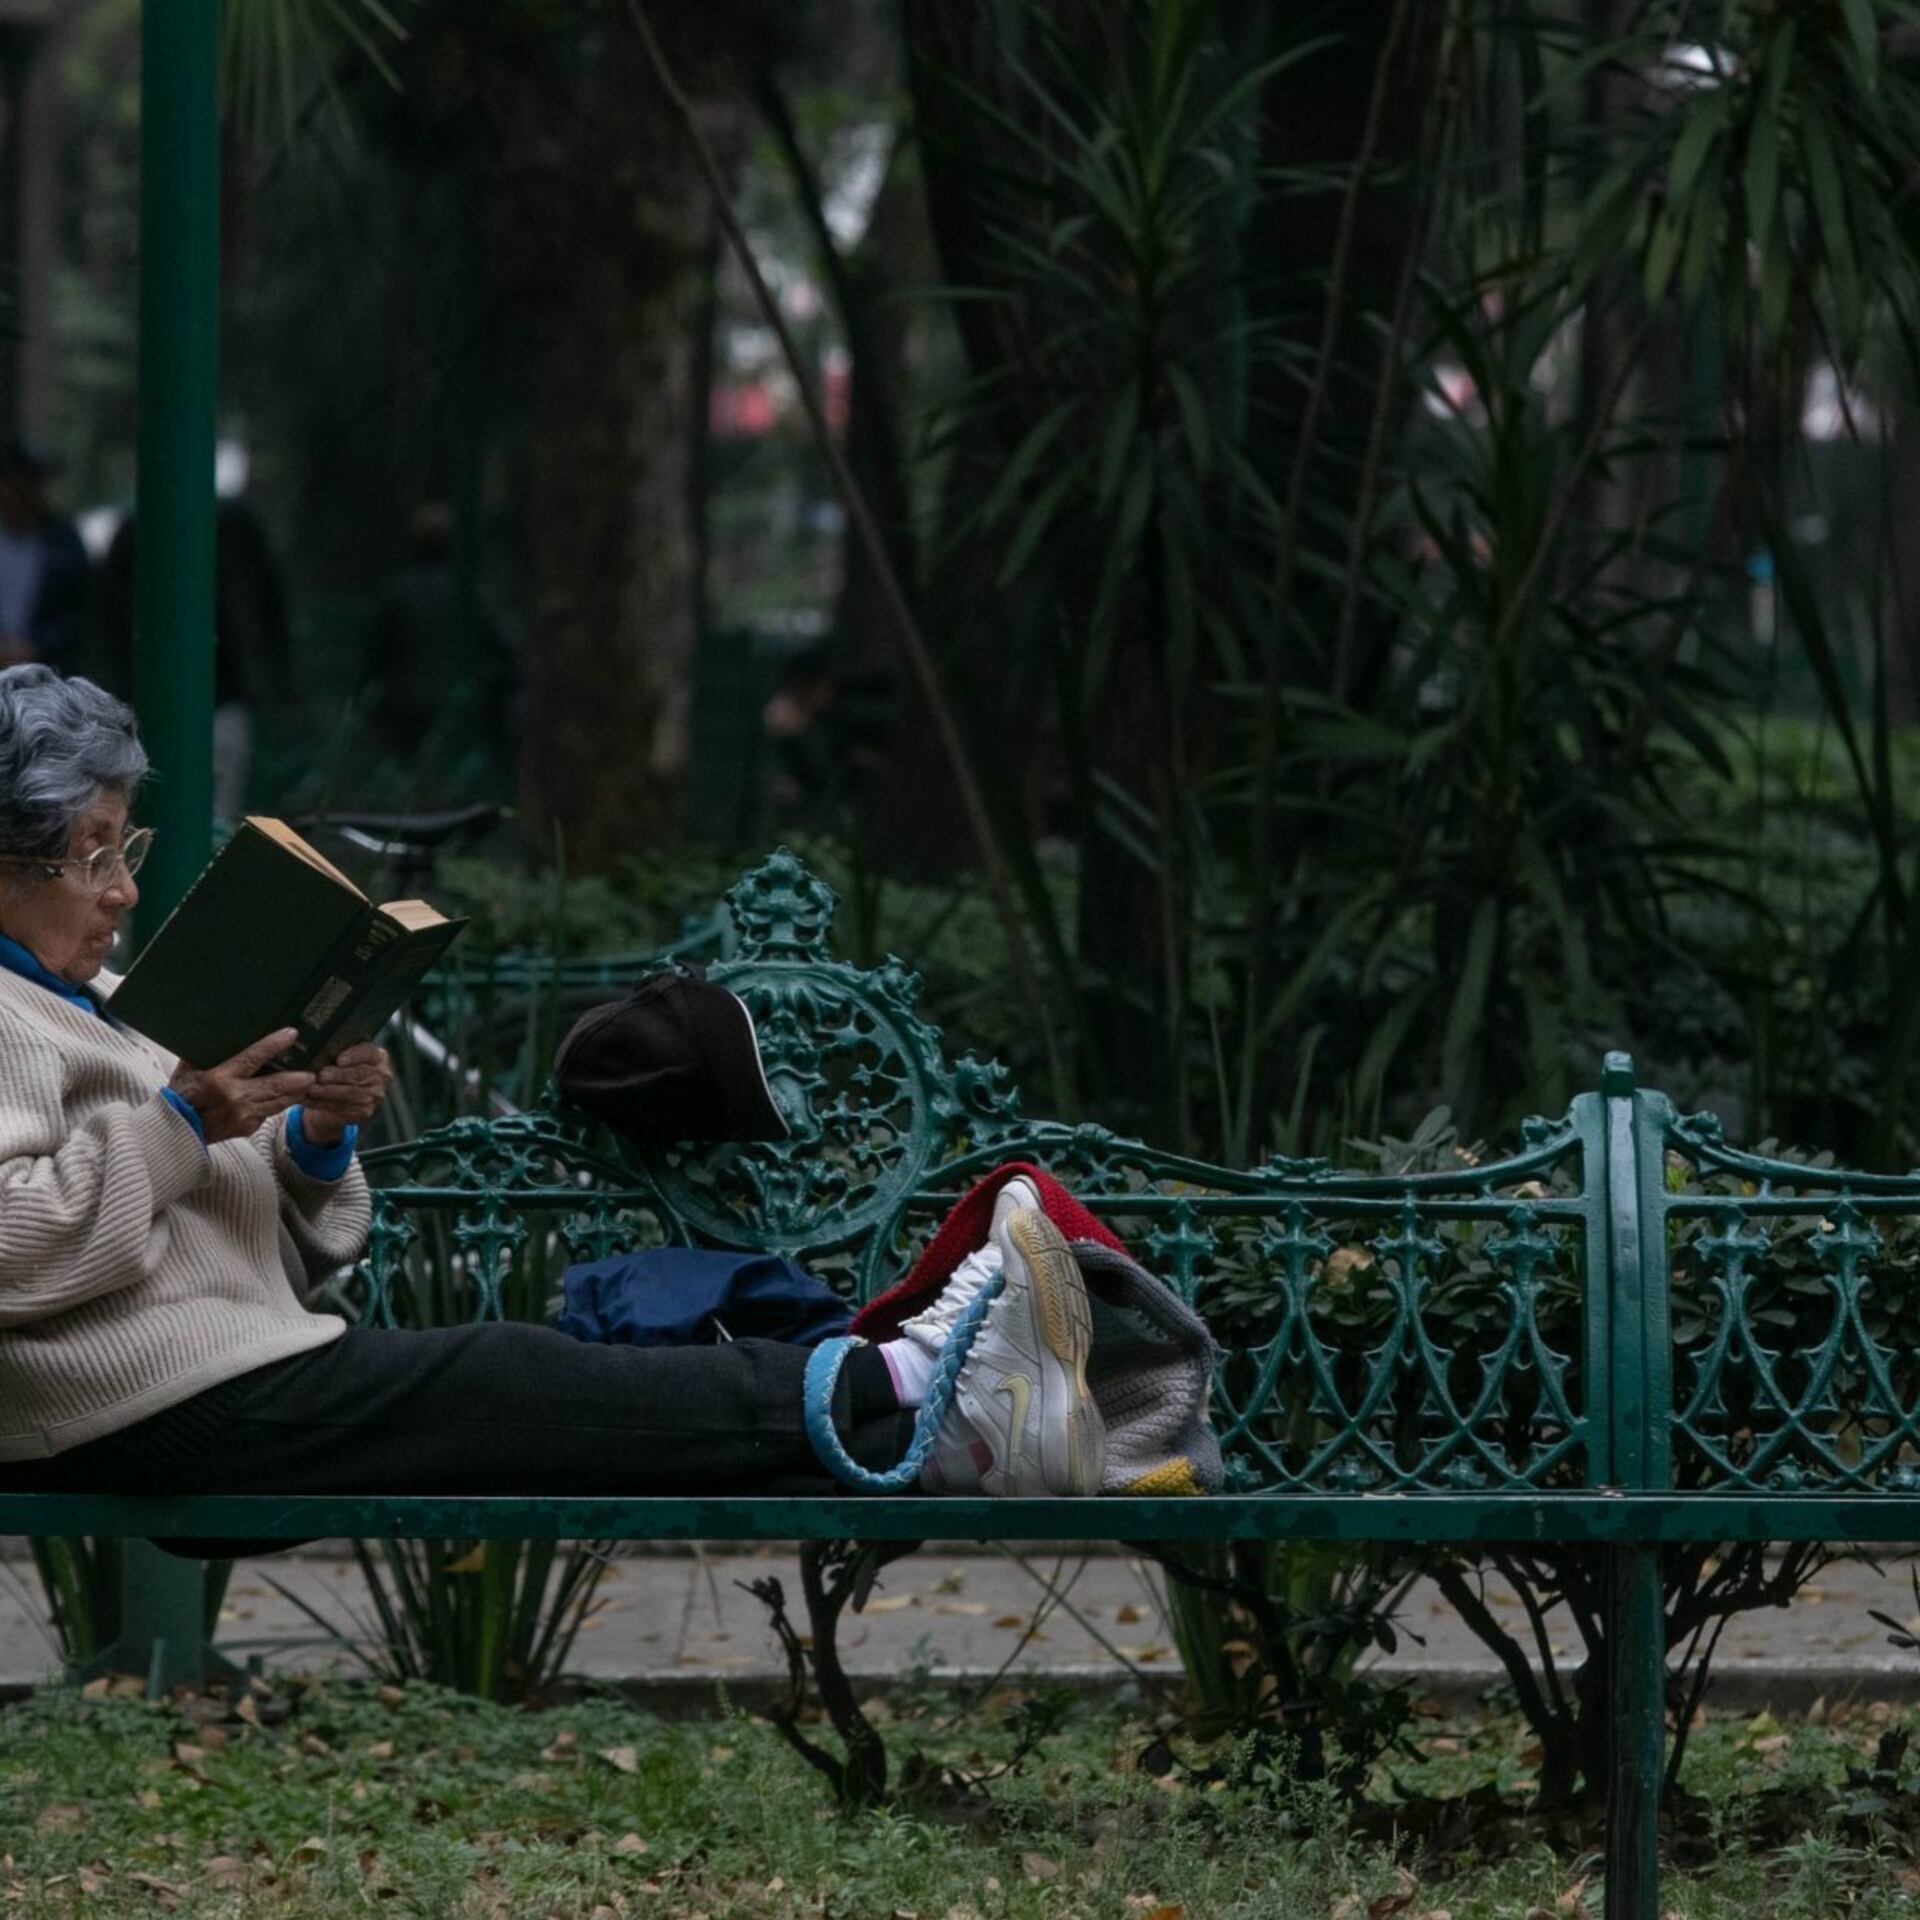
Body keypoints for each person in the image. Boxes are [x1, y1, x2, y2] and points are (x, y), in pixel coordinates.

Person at [0, 665, 1108, 1501]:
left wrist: (311, 1137)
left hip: (216, 1367)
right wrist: (187, 1119)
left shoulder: (95, 1000)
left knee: (548, 1378)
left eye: (124, 848)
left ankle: (916, 1415)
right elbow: (18, 1249)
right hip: (133, 1403)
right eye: (92, 856)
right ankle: (914, 1389)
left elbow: (279, 1240)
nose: (122, 893)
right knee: (506, 1373)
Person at [0, 440, 89, 673]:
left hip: (44, 675)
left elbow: (79, 612)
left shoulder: (63, 543)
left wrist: (37, 646)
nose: (25, 494)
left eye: (34, 484)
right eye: (17, 484)